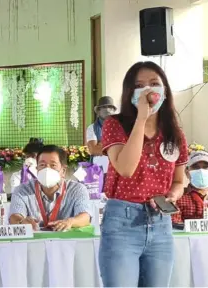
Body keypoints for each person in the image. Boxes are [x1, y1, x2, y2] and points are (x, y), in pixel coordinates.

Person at [99, 61, 188, 287]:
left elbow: (179, 180)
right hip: (122, 223)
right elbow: (126, 168)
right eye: (139, 85)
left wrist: (172, 197)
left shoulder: (175, 133)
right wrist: (141, 118)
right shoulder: (114, 124)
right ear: (130, 92)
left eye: (154, 84)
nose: (148, 90)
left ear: (165, 91)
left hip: (160, 224)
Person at [8, 145, 91, 232]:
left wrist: (70, 222)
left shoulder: (77, 190)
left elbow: (85, 217)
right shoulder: (22, 190)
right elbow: (14, 216)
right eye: (42, 165)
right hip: (35, 243)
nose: (47, 170)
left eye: (53, 165)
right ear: (37, 169)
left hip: (65, 242)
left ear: (63, 171)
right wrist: (21, 222)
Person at [172, 150, 208, 224]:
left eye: (205, 167)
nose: (201, 170)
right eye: (196, 167)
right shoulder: (178, 198)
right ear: (187, 172)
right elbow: (176, 227)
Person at [86, 96, 117, 173]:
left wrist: (102, 145)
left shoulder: (119, 127)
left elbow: (124, 147)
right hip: (98, 171)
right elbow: (93, 150)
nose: (107, 110)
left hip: (116, 169)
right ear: (99, 111)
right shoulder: (92, 128)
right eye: (104, 107)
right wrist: (113, 147)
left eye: (110, 107)